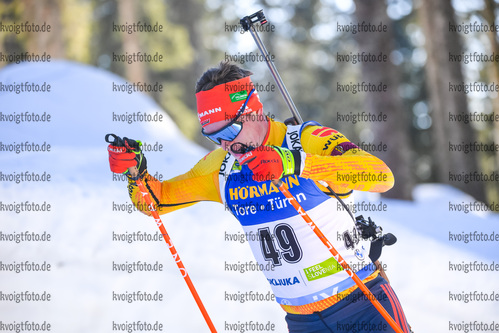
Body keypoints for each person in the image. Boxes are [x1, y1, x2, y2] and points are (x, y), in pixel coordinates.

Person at [108, 61, 411, 333]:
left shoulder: (304, 140)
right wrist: (135, 173)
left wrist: (295, 162)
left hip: (363, 305)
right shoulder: (221, 168)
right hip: (301, 321)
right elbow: (156, 201)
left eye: (229, 132)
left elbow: (381, 176)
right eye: (213, 137)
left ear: (254, 111)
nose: (225, 145)